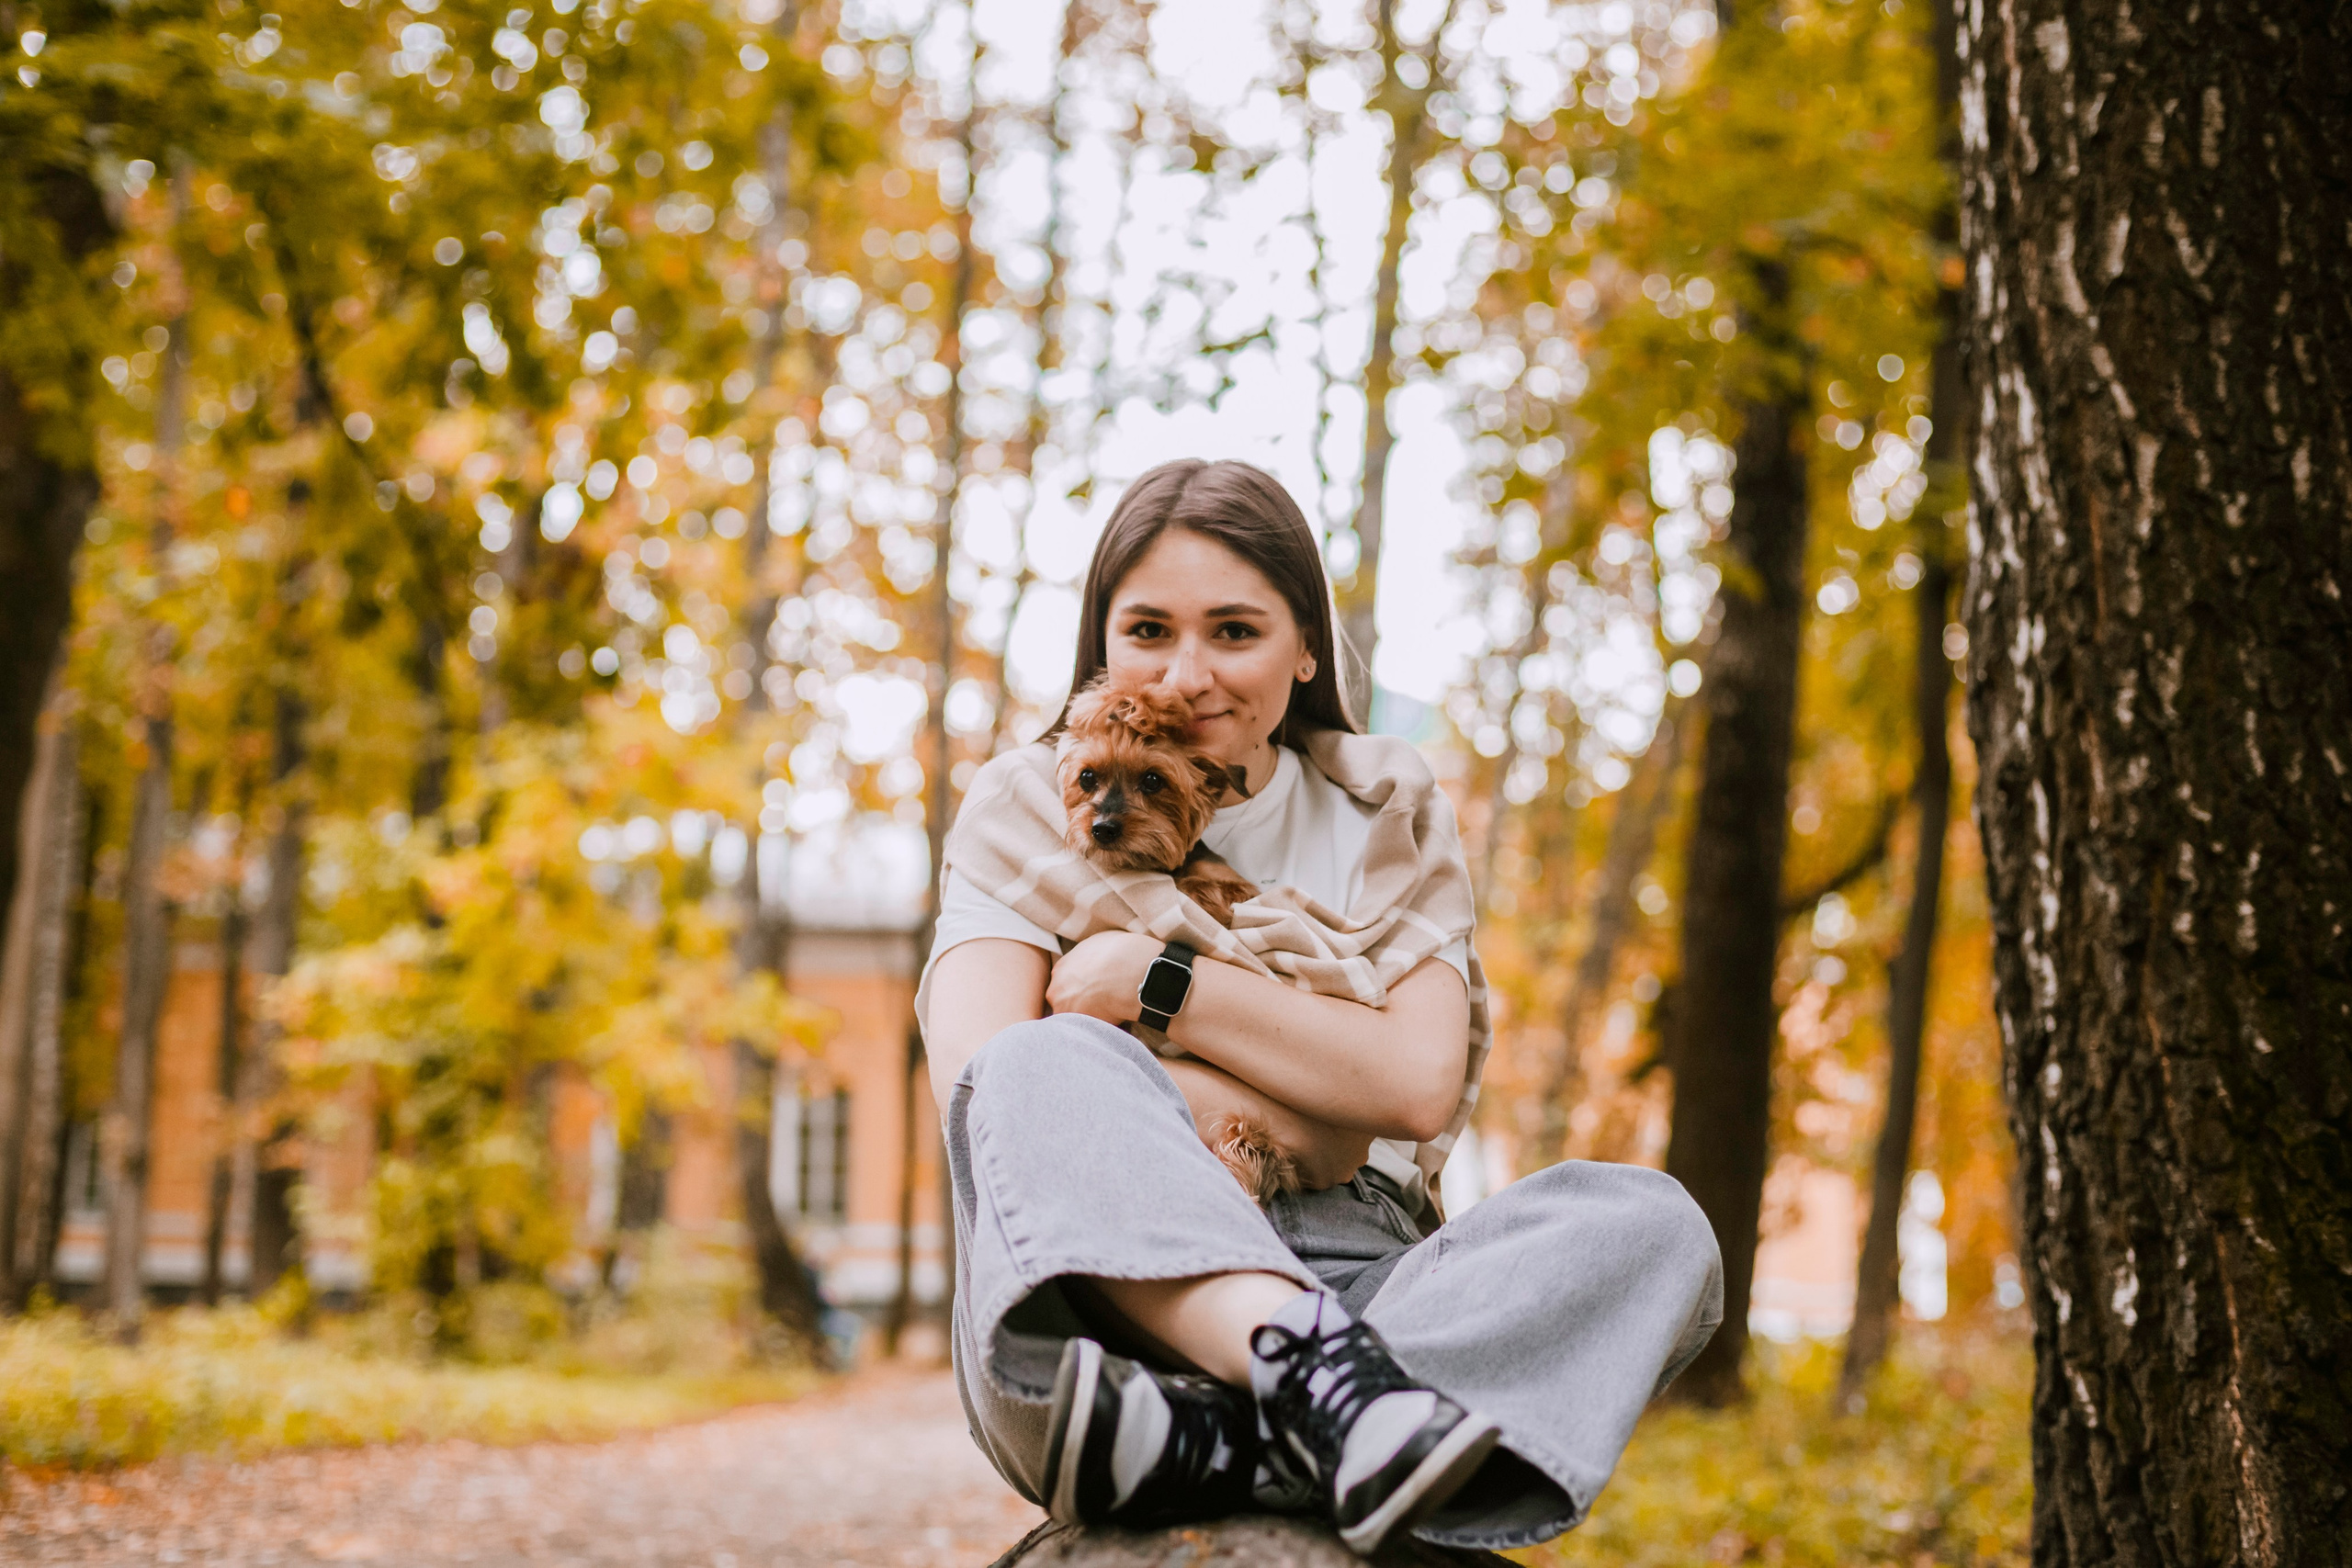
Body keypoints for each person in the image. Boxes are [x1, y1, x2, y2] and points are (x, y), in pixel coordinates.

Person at [920, 458, 1722, 1556]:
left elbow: (1410, 1087)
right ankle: (1337, 1396)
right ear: (1100, 643)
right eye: (1148, 629)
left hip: (1370, 1276)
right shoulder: (1024, 804)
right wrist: (1309, 1102)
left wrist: (1160, 991)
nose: (1188, 674)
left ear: (1306, 649)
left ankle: (1237, 1435)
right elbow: (984, 1080)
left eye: (1235, 632)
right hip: (1105, 1307)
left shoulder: (1381, 805)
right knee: (1036, 1064)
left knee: (1653, 1227)